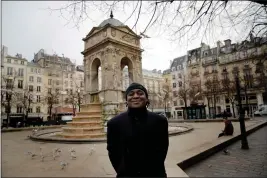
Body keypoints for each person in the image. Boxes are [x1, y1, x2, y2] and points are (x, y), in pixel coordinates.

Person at [107, 83, 169, 177]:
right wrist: (121, 170)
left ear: (147, 98)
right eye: (131, 94)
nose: (135, 96)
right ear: (126, 100)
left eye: (140, 93)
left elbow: (163, 149)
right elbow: (113, 152)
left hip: (155, 174)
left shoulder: (160, 121)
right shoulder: (114, 123)